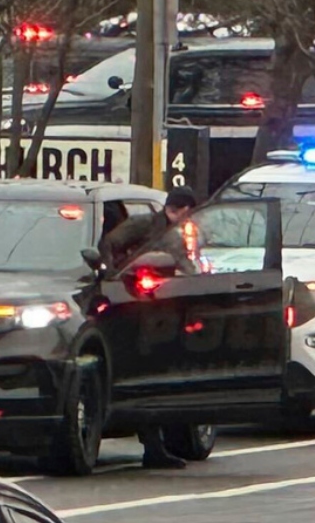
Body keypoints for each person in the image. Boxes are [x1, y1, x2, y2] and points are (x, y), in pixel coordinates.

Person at [98, 186, 198, 469]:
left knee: (160, 374)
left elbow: (183, 264)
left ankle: (158, 446)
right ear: (178, 208)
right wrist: (114, 275)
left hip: (164, 306)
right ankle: (152, 446)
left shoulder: (180, 234)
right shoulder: (144, 224)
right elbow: (109, 244)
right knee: (143, 371)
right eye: (188, 211)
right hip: (135, 304)